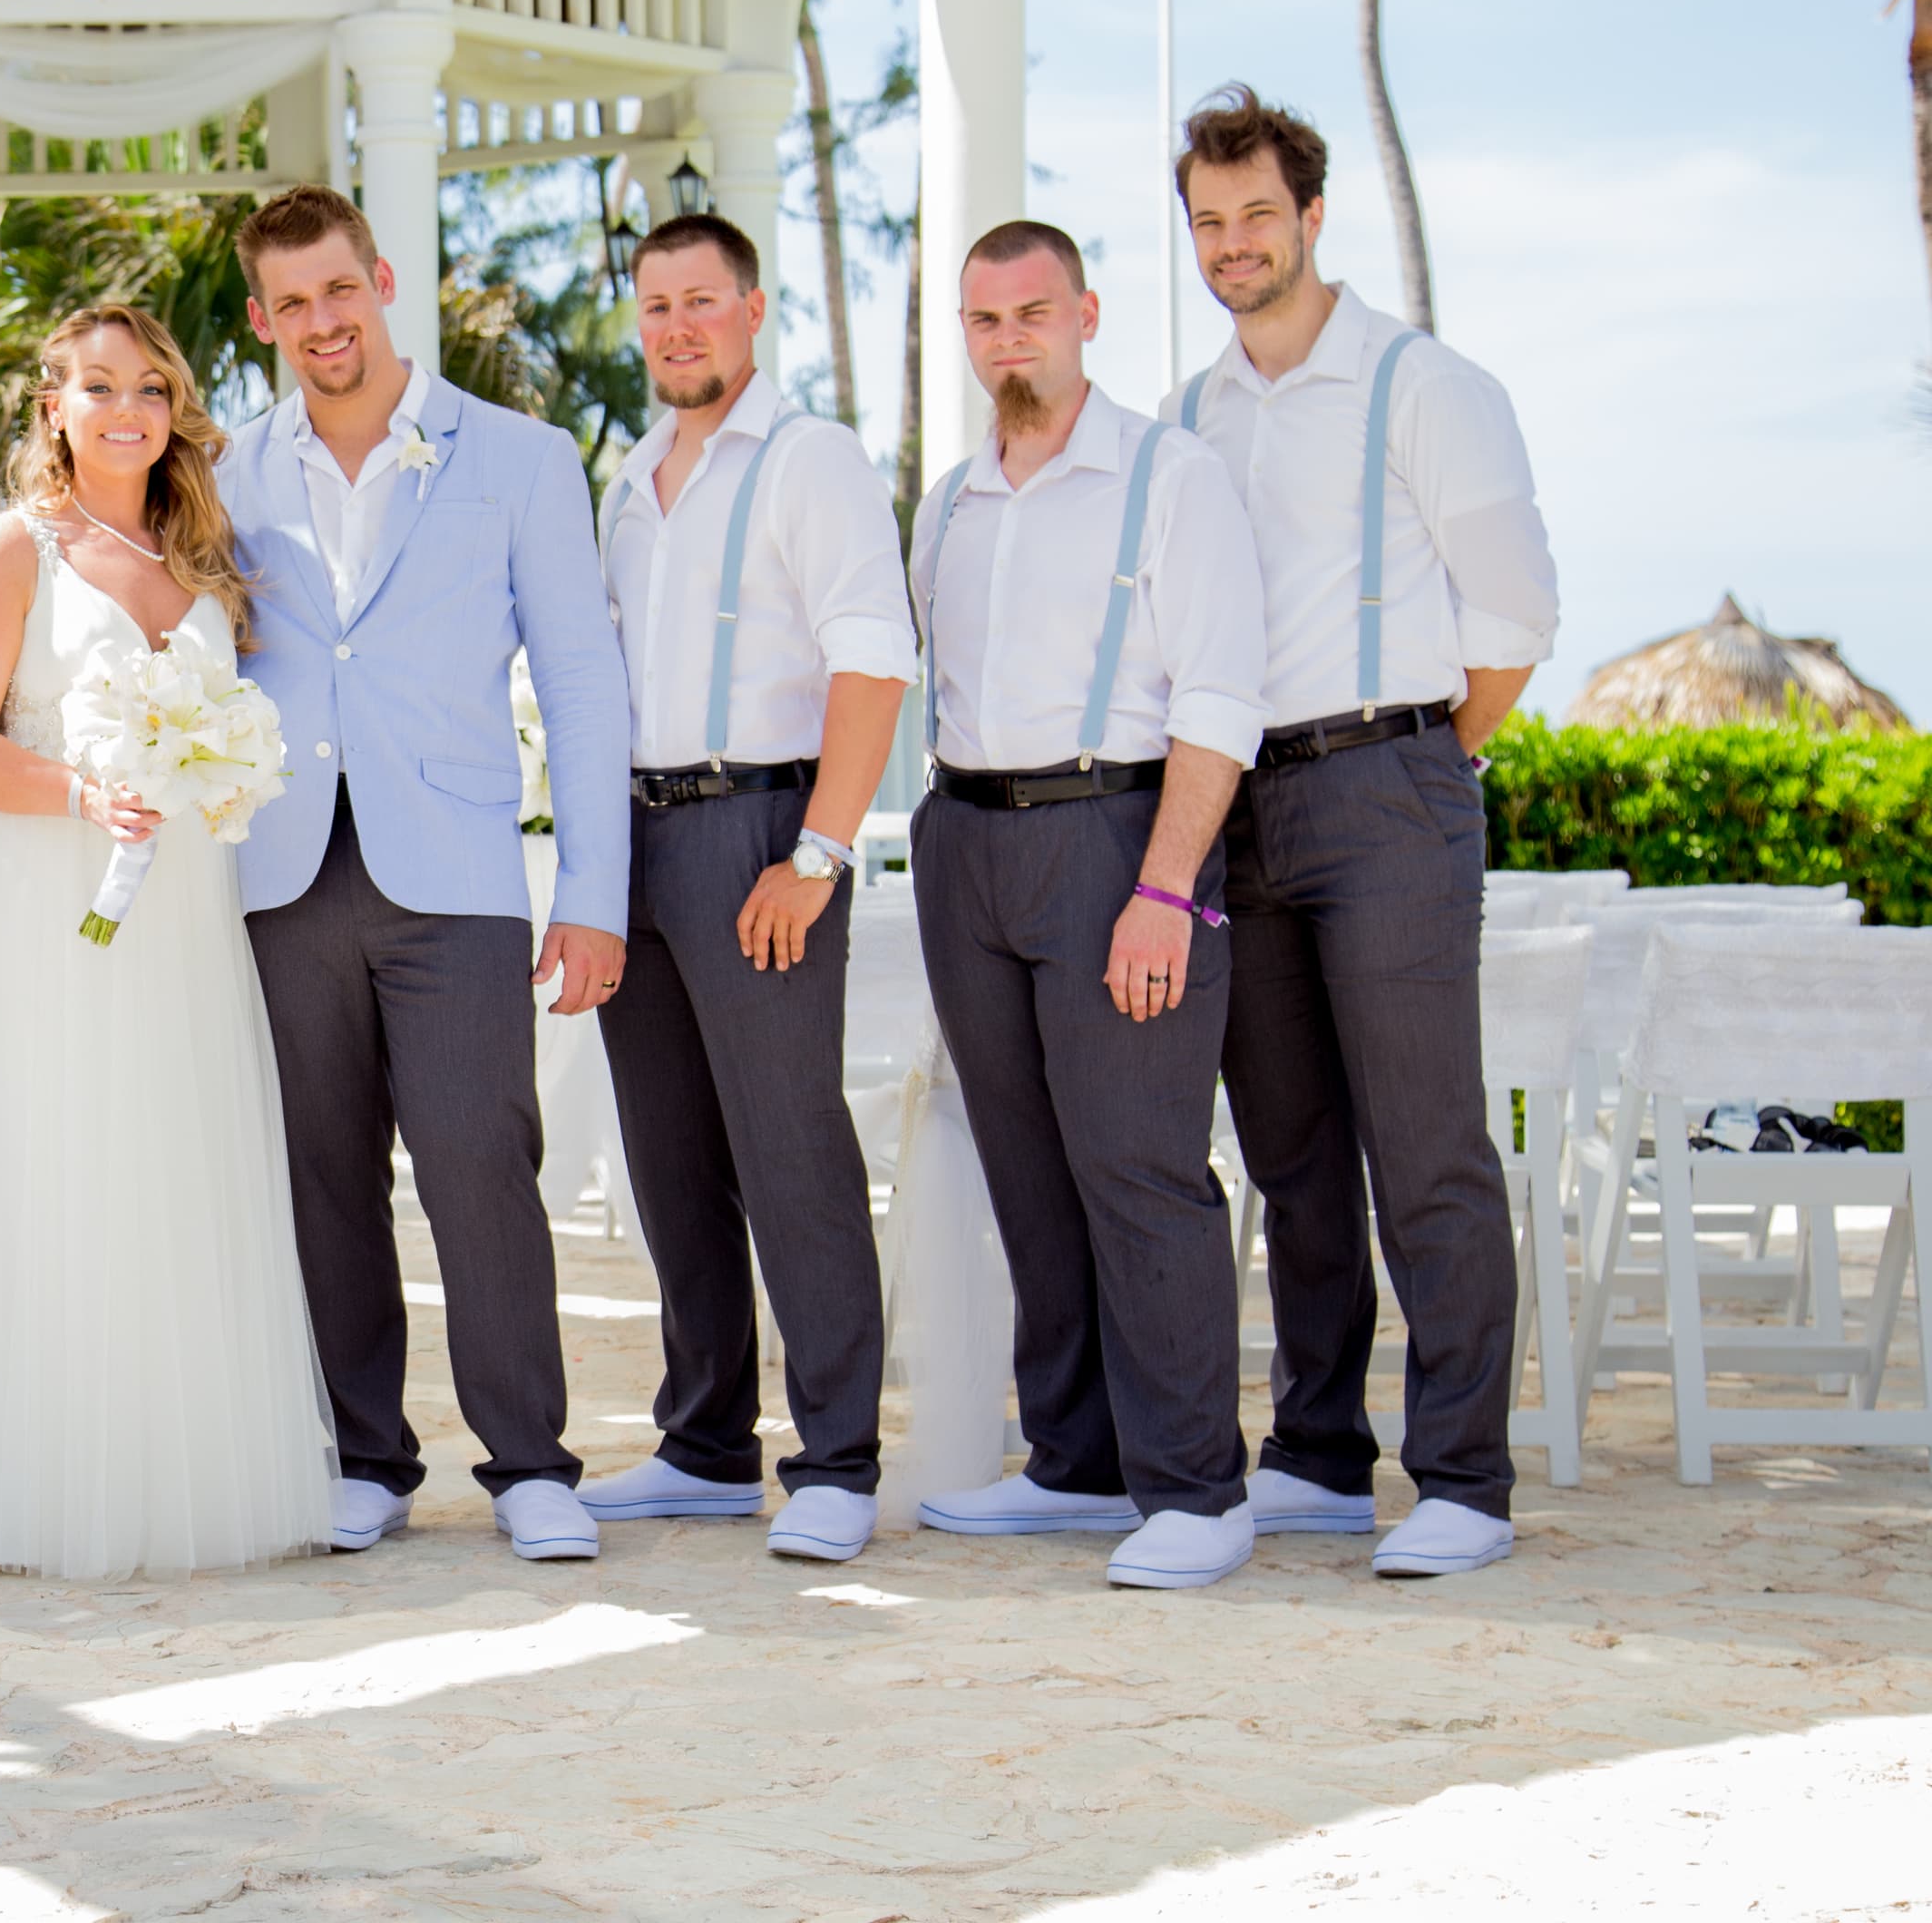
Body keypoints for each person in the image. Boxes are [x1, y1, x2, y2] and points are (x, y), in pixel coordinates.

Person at [1161, 87, 1558, 1580]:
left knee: (1426, 1140)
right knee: (1292, 1147)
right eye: (1207, 222)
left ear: (1312, 215)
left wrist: (1417, 769)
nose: (1234, 244)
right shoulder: (1192, 414)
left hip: (1389, 782)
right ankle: (1318, 1457)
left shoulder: (1424, 385)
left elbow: (1515, 619)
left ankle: (1461, 1476)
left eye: (1257, 213)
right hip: (1234, 801)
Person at [0, 304, 334, 1578]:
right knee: (52, 1153)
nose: (126, 408)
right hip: (42, 890)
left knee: (170, 1154)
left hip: (180, 905)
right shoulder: (10, 547)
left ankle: (177, 1468)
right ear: (53, 408)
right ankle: (28, 1483)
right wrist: (80, 792)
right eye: (97, 387)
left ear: (174, 410)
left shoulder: (205, 559)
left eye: (149, 386)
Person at [218, 183, 630, 1565]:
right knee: (321, 1173)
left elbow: (579, 682)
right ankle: (364, 1457)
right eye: (290, 305)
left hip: (452, 871)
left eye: (339, 291)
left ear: (380, 280)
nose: (320, 323)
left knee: (478, 1164)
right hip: (282, 873)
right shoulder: (226, 476)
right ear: (264, 320)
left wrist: (593, 889)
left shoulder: (520, 458)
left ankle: (529, 1462)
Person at [908, 222, 1271, 1592]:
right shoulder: (948, 503)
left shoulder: (1170, 479)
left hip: (1116, 837)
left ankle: (1197, 1490)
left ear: (1088, 315)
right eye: (986, 320)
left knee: (1138, 1162)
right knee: (1027, 1164)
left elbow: (1221, 698)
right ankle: (1077, 1465)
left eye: (1034, 314)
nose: (1011, 340)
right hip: (969, 843)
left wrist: (1164, 887)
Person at [576, 212, 912, 1565]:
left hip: (761, 826)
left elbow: (872, 665)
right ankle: (707, 1442)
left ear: (753, 309)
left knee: (791, 1150)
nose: (676, 327)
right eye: (654, 306)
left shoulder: (811, 459)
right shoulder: (629, 479)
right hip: (639, 840)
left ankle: (836, 1458)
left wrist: (817, 854)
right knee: (670, 1158)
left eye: (700, 300)